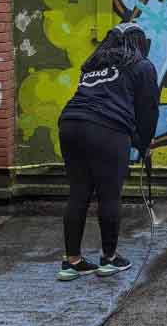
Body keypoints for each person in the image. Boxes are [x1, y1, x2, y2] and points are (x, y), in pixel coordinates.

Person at [57, 22, 159, 281]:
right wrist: (143, 143)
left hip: (70, 124)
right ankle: (109, 259)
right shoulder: (141, 66)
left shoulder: (92, 65)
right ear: (139, 42)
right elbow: (148, 111)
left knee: (79, 193)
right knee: (109, 194)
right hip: (106, 130)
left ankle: (72, 262)